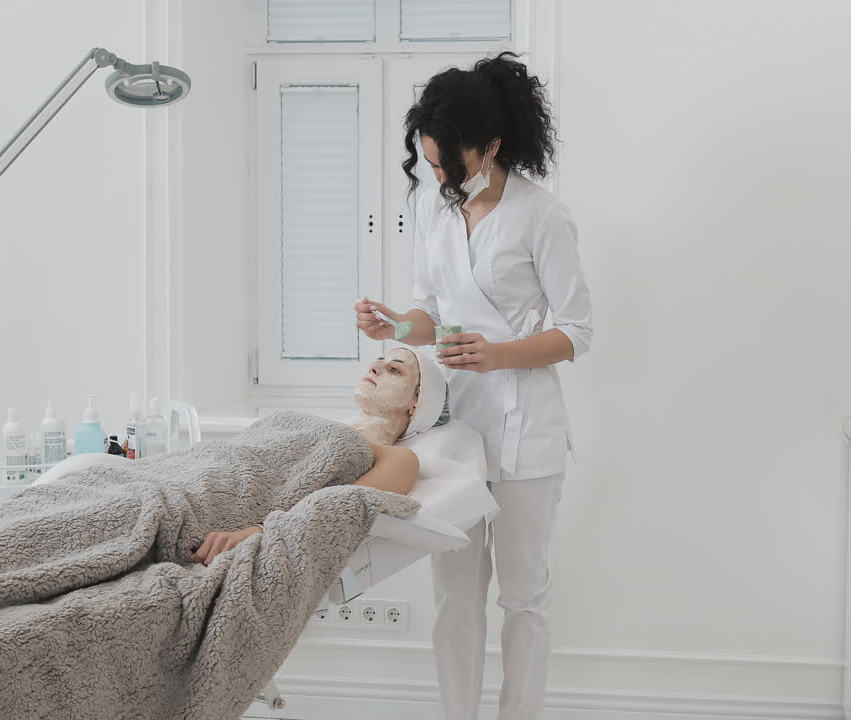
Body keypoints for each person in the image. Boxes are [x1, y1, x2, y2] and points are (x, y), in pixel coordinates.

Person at [353, 52, 593, 720]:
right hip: (455, 432)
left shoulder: (542, 217)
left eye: (446, 163)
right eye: (428, 163)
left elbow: (578, 330)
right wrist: (394, 323)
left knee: (523, 597)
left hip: (525, 434)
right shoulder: (437, 209)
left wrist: (500, 353)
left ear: (489, 147)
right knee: (455, 597)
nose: (436, 176)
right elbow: (429, 315)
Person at [191, 347, 442, 564]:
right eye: (379, 361)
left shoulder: (399, 458)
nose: (375, 366)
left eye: (395, 370)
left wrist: (256, 532)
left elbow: (334, 506)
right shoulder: (317, 427)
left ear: (417, 402)